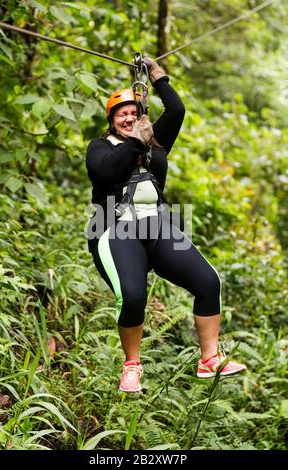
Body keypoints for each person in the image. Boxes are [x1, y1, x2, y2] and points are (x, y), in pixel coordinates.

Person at [85, 57, 246, 392]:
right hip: (116, 230)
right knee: (131, 297)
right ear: (112, 120)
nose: (129, 117)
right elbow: (106, 172)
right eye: (122, 114)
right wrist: (135, 142)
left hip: (156, 227)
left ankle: (209, 359)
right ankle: (131, 366)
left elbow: (177, 111)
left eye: (133, 112)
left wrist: (158, 77)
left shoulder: (155, 140)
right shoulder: (100, 147)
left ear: (140, 114)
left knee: (207, 281)